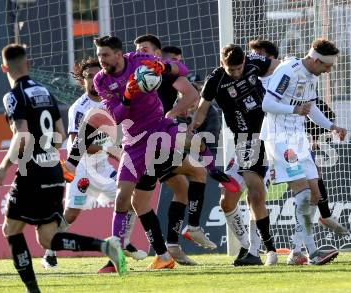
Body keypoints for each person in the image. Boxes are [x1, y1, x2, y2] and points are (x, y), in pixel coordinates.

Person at [64, 35, 236, 270]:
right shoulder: (101, 80)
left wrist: (162, 66)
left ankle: (213, 172)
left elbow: (183, 72)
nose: (101, 60)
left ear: (117, 54)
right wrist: (127, 96)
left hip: (158, 127)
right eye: (99, 55)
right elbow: (116, 117)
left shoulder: (140, 60)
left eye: (105, 55)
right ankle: (125, 254)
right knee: (126, 198)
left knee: (190, 148)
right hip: (133, 141)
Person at [0, 44, 126, 292]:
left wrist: (3, 166)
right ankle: (105, 246)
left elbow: (21, 135)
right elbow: (60, 134)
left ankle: (33, 290)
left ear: (3, 68)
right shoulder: (44, 91)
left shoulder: (13, 95)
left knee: (11, 229)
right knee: (47, 238)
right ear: (28, 64)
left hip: (31, 172)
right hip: (54, 169)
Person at [41, 57, 146, 269]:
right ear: (82, 80)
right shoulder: (79, 108)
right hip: (82, 167)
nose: (92, 80)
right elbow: (77, 145)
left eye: (96, 76)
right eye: (88, 77)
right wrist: (113, 150)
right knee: (72, 213)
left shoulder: (112, 102)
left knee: (130, 199)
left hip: (103, 165)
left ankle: (122, 242)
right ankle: (49, 251)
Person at [249, 39, 348, 265]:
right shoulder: (288, 71)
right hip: (280, 139)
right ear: (315, 59)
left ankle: (296, 252)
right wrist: (294, 108)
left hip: (299, 139)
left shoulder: (311, 77)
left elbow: (311, 109)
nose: (328, 70)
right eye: (326, 66)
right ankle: (313, 253)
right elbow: (267, 104)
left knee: (314, 195)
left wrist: (332, 127)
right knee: (302, 192)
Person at [192, 44, 281, 266]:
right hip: (243, 141)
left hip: (267, 135)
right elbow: (202, 108)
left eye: (239, 68)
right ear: (222, 64)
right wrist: (193, 128)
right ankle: (249, 247)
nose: (237, 72)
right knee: (227, 199)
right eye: (232, 70)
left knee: (255, 194)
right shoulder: (216, 80)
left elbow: (280, 67)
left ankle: (265, 249)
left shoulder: (253, 62)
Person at [134, 35, 215, 266]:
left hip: (157, 141)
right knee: (136, 202)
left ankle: (169, 248)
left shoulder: (162, 72)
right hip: (144, 143)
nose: (140, 52)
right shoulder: (134, 73)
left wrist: (172, 112)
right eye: (138, 49)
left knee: (181, 186)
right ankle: (185, 233)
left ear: (157, 54)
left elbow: (192, 95)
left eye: (145, 48)